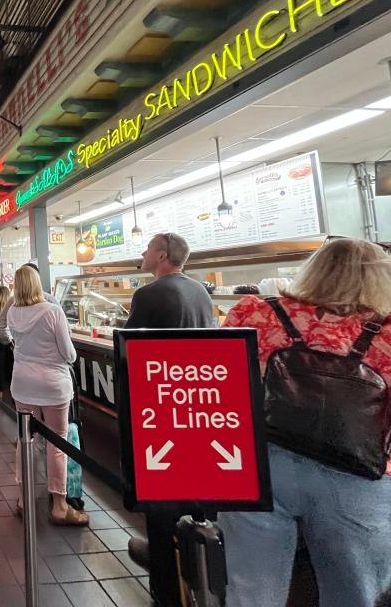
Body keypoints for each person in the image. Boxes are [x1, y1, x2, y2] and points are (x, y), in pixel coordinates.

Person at [221, 238, 391, 607]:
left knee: (251, 591)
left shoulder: (255, 313)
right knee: (356, 592)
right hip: (362, 474)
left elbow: (222, 386)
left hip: (260, 464)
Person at [124, 232, 214, 606]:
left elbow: (129, 347)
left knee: (160, 489)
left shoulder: (148, 294)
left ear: (162, 256)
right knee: (195, 483)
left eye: (147, 249)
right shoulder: (201, 292)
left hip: (160, 400)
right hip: (198, 401)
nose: (143, 254)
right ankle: (196, 563)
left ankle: (165, 584)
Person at [8, 266, 88, 526]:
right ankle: (59, 505)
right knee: (58, 443)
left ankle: (22, 498)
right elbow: (69, 353)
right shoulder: (53, 311)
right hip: (53, 385)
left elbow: (13, 341)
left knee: (25, 438)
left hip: (22, 383)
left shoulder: (12, 312)